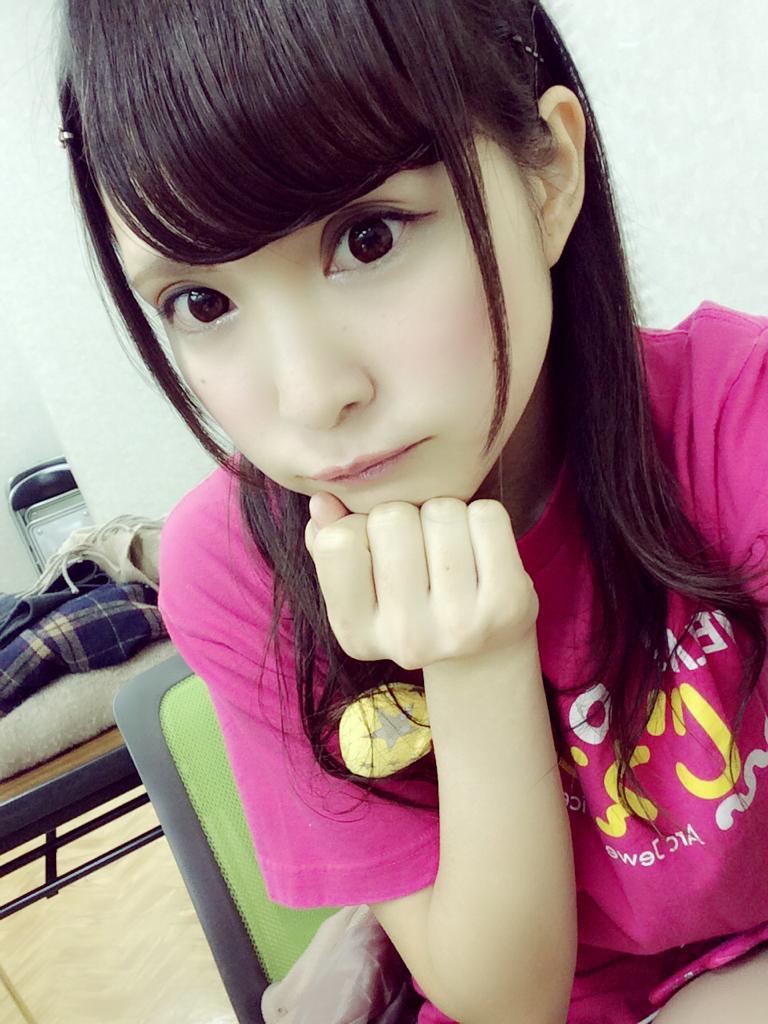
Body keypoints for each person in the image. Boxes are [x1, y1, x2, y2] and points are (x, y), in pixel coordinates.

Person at [57, 2, 768, 1021]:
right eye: (202, 303)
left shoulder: (737, 430)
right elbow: (507, 999)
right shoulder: (239, 567)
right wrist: (474, 663)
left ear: (547, 175)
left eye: (370, 236)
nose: (312, 397)